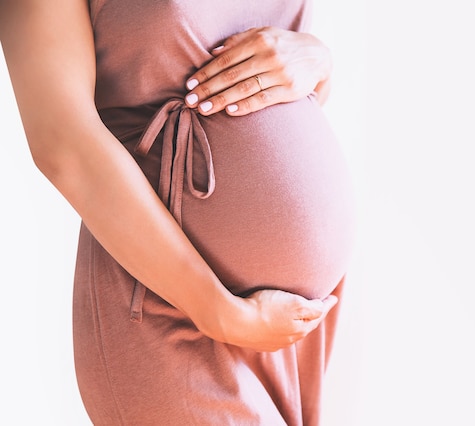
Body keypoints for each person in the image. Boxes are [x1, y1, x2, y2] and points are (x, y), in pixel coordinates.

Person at [0, 0, 356, 424]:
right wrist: (218, 313)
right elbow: (62, 142)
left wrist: (318, 59)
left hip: (296, 322)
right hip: (168, 301)